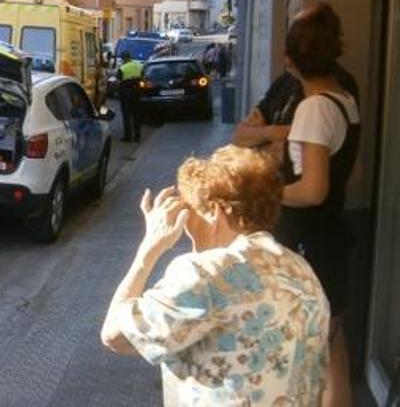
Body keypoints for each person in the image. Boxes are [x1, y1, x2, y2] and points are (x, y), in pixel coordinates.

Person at [100, 145, 330, 406]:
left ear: (217, 213)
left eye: (192, 211)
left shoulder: (206, 274)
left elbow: (114, 335)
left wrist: (149, 249)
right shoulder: (301, 270)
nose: (187, 225)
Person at [275, 3, 360, 407]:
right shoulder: (345, 100)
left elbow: (311, 191)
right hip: (331, 238)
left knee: (310, 354)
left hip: (309, 242)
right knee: (333, 348)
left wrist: (265, 193)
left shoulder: (313, 108)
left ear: (290, 61)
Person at [117, 51, 143, 142]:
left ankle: (128, 137)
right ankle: (137, 136)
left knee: (126, 116)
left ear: (124, 59)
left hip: (126, 93)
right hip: (137, 92)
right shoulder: (139, 65)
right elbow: (143, 76)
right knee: (137, 115)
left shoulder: (122, 68)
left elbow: (118, 81)